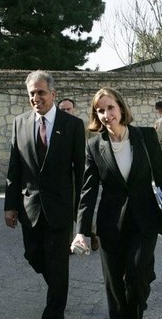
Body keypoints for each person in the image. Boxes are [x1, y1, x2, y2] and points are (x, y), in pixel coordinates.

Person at [71, 87, 162, 319]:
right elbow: (88, 191)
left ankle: (138, 300)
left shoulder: (146, 136)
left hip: (145, 219)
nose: (106, 114)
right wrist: (81, 231)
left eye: (110, 107)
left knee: (136, 276)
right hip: (111, 225)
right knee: (115, 288)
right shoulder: (94, 146)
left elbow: (161, 175)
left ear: (121, 107)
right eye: (100, 110)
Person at [4, 70, 86, 319]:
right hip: (30, 207)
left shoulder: (72, 125)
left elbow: (81, 171)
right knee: (33, 255)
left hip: (60, 207)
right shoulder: (20, 122)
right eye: (32, 93)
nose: (36, 97)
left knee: (59, 262)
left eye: (41, 92)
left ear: (53, 93)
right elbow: (14, 167)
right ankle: (58, 289)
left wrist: (81, 214)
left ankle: (54, 311)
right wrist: (10, 205)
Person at [58, 97, 100, 251]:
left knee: (81, 205)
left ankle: (92, 234)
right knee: (64, 208)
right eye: (62, 109)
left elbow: (94, 146)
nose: (66, 112)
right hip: (62, 174)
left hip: (81, 172)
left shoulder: (83, 127)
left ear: (73, 109)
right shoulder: (55, 126)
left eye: (68, 109)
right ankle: (68, 242)